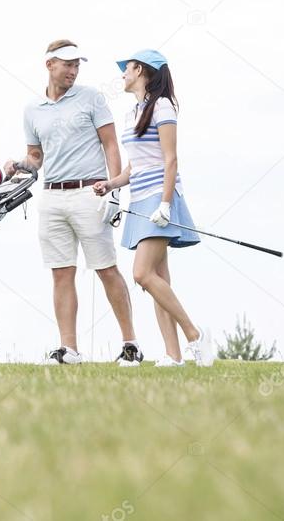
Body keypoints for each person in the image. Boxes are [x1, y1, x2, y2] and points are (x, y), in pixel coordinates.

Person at [4, 39, 143, 367]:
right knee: (61, 274)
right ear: (49, 65)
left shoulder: (92, 98)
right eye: (67, 64)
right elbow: (36, 156)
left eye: (77, 64)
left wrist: (114, 191)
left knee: (106, 269)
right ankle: (69, 350)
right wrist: (20, 166)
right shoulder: (32, 109)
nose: (73, 70)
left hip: (89, 193)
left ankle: (130, 344)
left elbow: (110, 144)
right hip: (51, 196)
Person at [92, 49, 215, 368]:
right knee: (159, 278)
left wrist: (164, 203)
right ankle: (173, 356)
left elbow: (170, 158)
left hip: (162, 196)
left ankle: (194, 335)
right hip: (141, 198)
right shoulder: (134, 112)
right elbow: (135, 167)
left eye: (127, 68)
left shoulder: (162, 106)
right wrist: (111, 184)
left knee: (142, 274)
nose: (123, 74)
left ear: (142, 71)